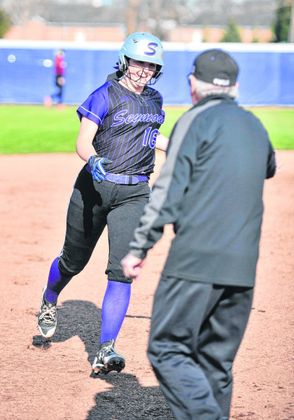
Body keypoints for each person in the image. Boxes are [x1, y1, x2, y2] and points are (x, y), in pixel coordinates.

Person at [121, 49, 276, 419]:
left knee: (167, 348)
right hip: (242, 266)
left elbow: (166, 191)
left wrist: (139, 247)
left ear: (193, 84)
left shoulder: (193, 120)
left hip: (195, 261)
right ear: (235, 87)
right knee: (216, 362)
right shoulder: (254, 125)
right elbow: (270, 166)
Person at [37, 32, 167, 375]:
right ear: (125, 60)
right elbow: (84, 141)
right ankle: (50, 300)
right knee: (72, 261)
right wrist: (92, 160)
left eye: (151, 65)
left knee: (122, 271)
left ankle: (105, 349)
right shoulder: (104, 95)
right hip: (93, 189)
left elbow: (152, 138)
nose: (144, 70)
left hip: (135, 193)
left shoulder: (155, 100)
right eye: (139, 61)